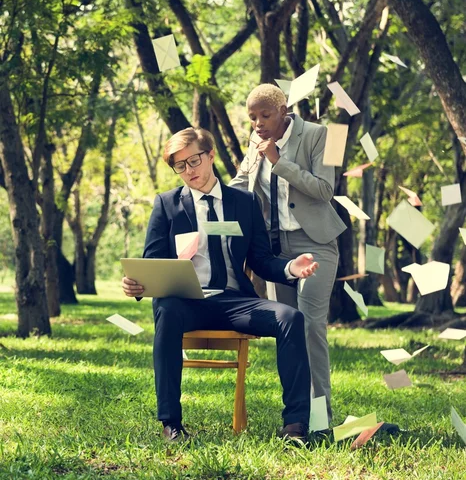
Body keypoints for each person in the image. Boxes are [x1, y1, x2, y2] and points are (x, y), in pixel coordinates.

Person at [122, 127, 320, 443]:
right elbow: (153, 263)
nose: (189, 171)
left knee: (290, 317)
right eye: (180, 165)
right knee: (168, 311)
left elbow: (261, 260)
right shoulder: (167, 205)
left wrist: (290, 269)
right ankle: (171, 424)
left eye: (194, 161)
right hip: (186, 302)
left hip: (234, 303)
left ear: (210, 155)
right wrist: (138, 285)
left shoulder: (244, 203)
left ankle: (295, 426)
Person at [230, 84, 346, 423]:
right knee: (288, 328)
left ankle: (321, 416)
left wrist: (279, 162)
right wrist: (208, 194)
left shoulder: (319, 134)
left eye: (265, 115)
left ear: (283, 110)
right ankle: (298, 416)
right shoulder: (255, 142)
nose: (258, 124)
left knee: (311, 325)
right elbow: (240, 184)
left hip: (316, 243)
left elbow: (325, 190)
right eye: (252, 118)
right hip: (275, 250)